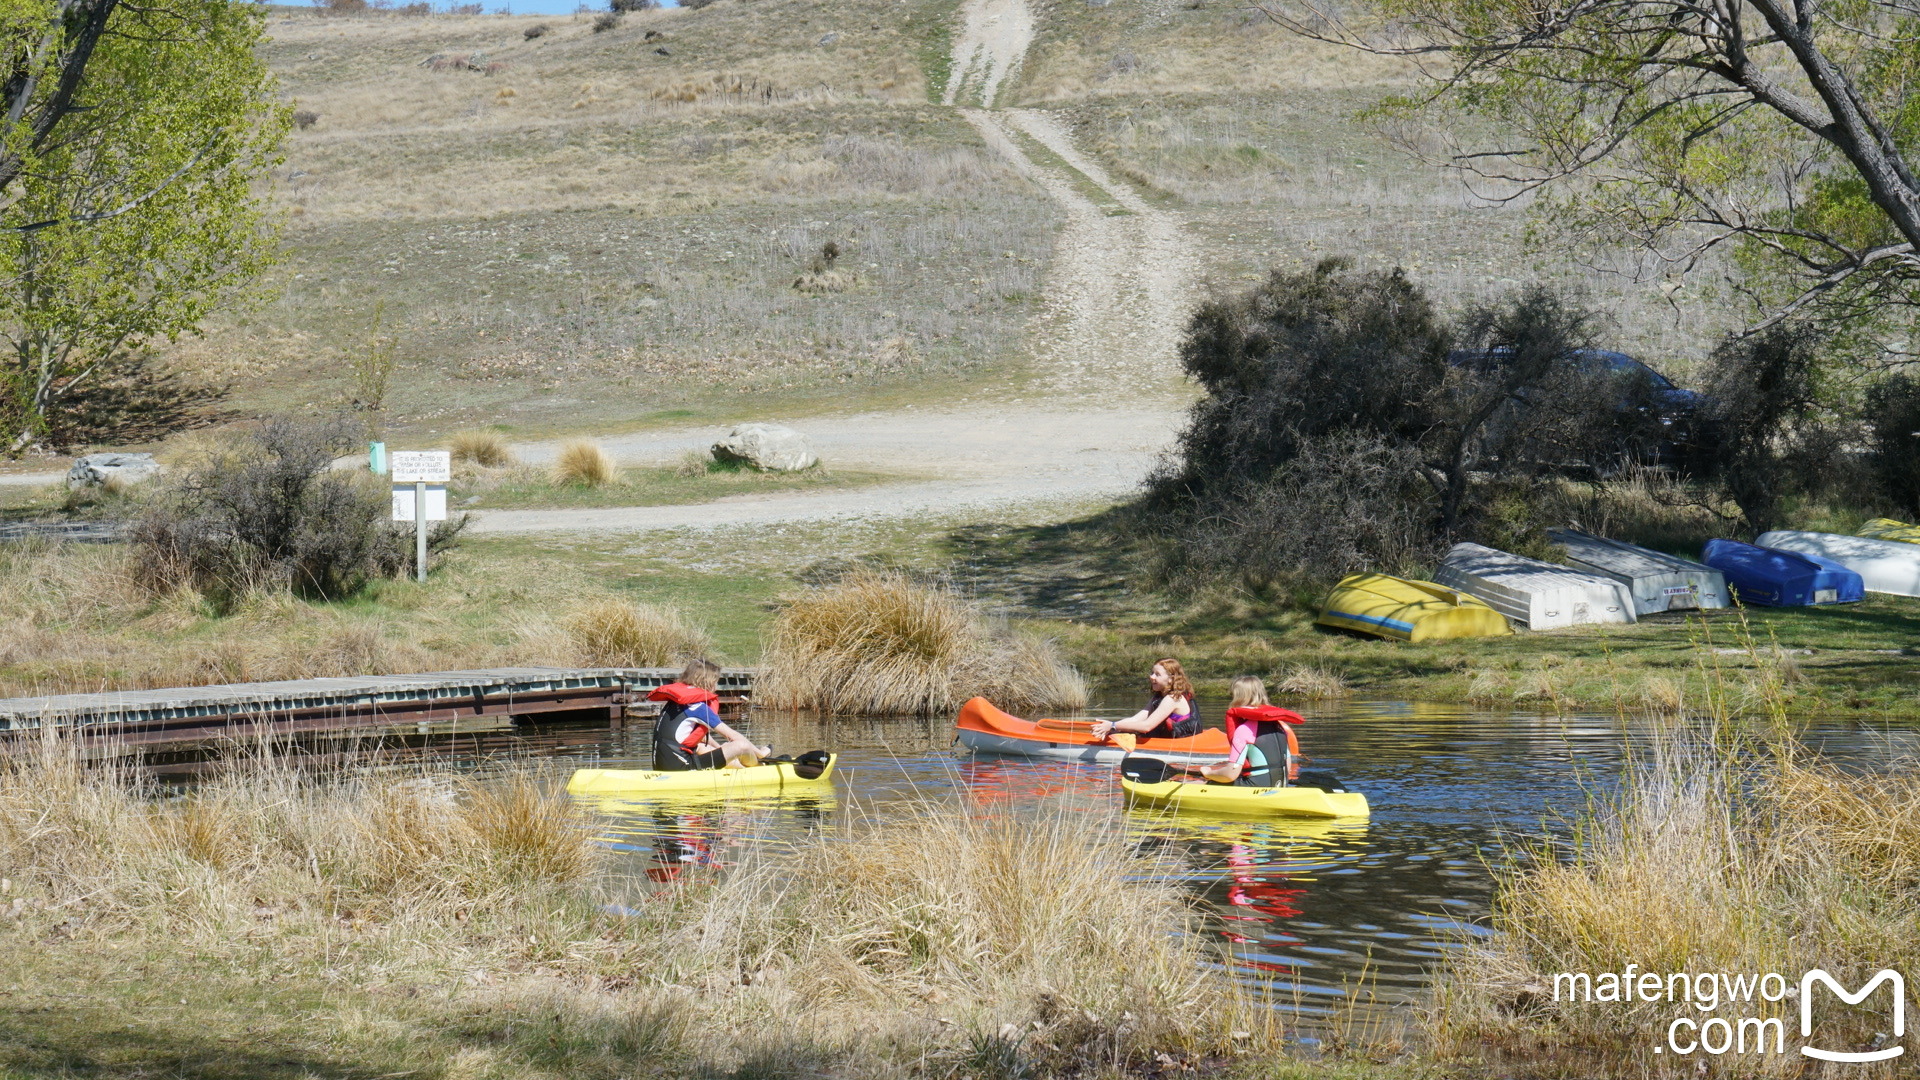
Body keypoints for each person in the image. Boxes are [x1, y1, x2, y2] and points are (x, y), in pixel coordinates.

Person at [650, 658, 770, 771]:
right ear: (709, 682)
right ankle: (760, 766)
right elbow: (733, 736)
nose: (716, 687)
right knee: (741, 746)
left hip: (662, 764)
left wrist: (722, 750)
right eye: (716, 682)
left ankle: (740, 767)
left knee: (703, 747)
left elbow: (700, 737)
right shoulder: (698, 708)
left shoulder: (674, 703)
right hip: (681, 767)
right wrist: (760, 753)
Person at [1198, 675, 1303, 785]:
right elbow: (1288, 765)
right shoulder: (1279, 726)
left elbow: (1230, 775)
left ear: (1237, 698)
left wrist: (1209, 773)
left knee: (1199, 782)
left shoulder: (1244, 730)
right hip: (1281, 785)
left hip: (1254, 788)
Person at [1090, 658, 1201, 743]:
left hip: (1179, 745)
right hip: (1165, 741)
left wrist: (1113, 725)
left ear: (1171, 679)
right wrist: (1112, 728)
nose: (1151, 677)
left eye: (1157, 674)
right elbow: (1136, 719)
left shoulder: (1172, 699)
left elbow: (1146, 726)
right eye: (1152, 673)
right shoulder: (1158, 697)